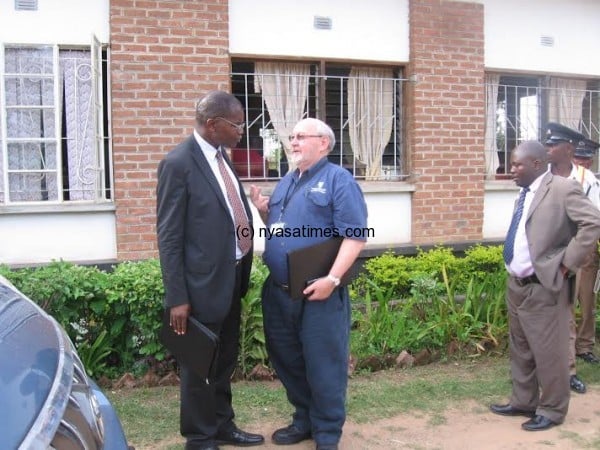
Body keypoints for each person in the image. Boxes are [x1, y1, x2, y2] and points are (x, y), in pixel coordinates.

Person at [250, 118, 368, 450]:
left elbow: (354, 237)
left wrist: (332, 279)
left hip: (319, 292)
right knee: (288, 359)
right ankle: (304, 419)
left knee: (324, 364)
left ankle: (328, 434)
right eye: (292, 137)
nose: (294, 142)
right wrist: (263, 213)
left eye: (301, 136)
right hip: (280, 291)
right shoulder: (288, 180)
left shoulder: (339, 181)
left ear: (324, 143)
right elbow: (282, 227)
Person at [156, 90, 264, 450]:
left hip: (232, 278)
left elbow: (234, 214)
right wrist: (178, 298)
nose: (241, 132)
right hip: (199, 287)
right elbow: (169, 237)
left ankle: (222, 425)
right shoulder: (178, 163)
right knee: (198, 364)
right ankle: (200, 438)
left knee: (224, 359)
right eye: (236, 125)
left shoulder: (222, 157)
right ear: (213, 124)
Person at [490, 140, 600, 432]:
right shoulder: (524, 194)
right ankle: (524, 401)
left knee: (549, 352)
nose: (511, 169)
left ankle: (552, 410)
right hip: (518, 284)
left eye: (517, 164)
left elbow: (592, 223)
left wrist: (566, 263)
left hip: (546, 285)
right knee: (521, 348)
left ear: (537, 164)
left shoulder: (563, 189)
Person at [544, 123, 600, 393]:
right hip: (549, 253)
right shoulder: (540, 176)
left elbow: (593, 218)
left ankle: (575, 360)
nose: (548, 149)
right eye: (548, 145)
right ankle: (555, 366)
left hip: (577, 252)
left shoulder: (587, 179)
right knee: (558, 311)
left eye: (553, 145)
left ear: (568, 149)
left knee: (581, 303)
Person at [571, 138, 600, 365]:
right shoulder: (553, 176)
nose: (581, 163)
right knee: (565, 303)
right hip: (562, 247)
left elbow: (595, 216)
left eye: (584, 159)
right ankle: (566, 347)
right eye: (577, 158)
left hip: (585, 249)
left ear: (590, 162)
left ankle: (584, 346)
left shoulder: (588, 180)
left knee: (587, 300)